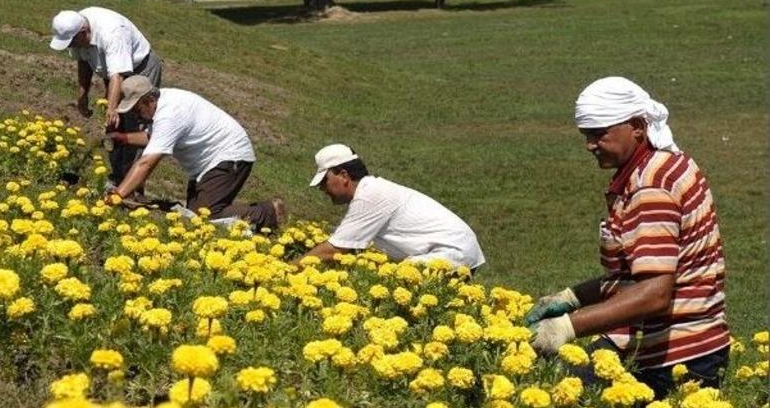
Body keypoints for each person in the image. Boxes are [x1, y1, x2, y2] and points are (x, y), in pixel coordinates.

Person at [527, 76, 729, 398]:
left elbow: (654, 293)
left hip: (678, 358)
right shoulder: (664, 165)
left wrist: (567, 327)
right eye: (586, 135)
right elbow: (634, 276)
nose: (590, 145)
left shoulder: (652, 186)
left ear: (637, 126)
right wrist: (571, 297)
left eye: (599, 133)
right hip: (682, 343)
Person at [105, 76, 283, 229]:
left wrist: (117, 196)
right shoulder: (163, 102)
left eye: (137, 110)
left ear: (148, 100)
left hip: (231, 156)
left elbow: (146, 163)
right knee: (193, 213)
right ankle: (236, 208)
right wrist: (124, 138)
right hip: (211, 162)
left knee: (205, 217)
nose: (136, 116)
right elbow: (155, 137)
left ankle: (268, 213)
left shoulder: (169, 114)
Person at [296, 144, 485, 270]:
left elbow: (334, 249)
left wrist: (288, 270)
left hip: (452, 251)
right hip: (457, 248)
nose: (322, 189)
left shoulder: (370, 196)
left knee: (398, 279)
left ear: (343, 175)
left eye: (324, 181)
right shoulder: (371, 191)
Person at [49, 7, 162, 187]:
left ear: (83, 32)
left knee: (135, 126)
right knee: (113, 126)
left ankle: (131, 187)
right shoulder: (75, 28)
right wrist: (83, 94)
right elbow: (83, 61)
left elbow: (118, 75)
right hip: (113, 73)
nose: (70, 46)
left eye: (71, 42)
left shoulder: (112, 32)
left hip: (140, 71)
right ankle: (118, 177)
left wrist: (112, 109)